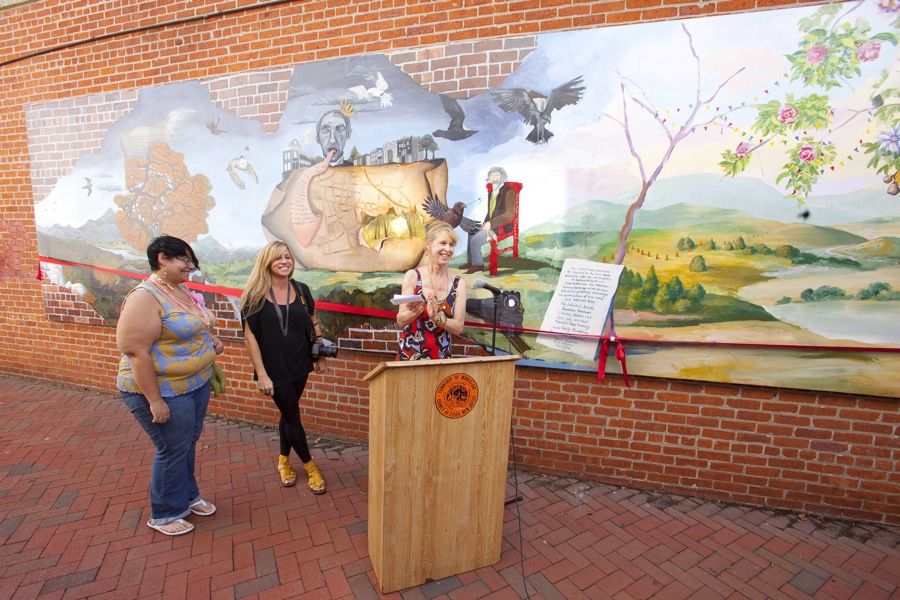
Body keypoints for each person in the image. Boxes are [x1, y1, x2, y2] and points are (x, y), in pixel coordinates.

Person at [116, 235, 224, 536]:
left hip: (194, 384)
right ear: (162, 259)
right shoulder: (144, 297)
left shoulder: (178, 290)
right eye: (184, 260)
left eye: (191, 261)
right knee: (171, 447)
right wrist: (154, 400)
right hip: (162, 390)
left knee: (187, 441)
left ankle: (188, 497)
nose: (190, 267)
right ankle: (164, 513)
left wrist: (210, 340)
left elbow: (190, 325)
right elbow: (136, 351)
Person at [240, 240, 328, 494]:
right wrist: (262, 375)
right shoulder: (254, 295)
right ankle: (310, 465)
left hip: (300, 362)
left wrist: (321, 354)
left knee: (288, 414)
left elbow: (314, 323)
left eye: (288, 257)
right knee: (291, 414)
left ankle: (283, 462)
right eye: (278, 257)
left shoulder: (301, 289)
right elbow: (250, 338)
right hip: (273, 368)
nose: (284, 261)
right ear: (267, 261)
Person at [397, 221, 468, 360]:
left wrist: (436, 317)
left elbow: (458, 328)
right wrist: (417, 310)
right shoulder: (412, 276)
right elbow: (400, 320)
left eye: (451, 245)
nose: (447, 249)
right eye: (442, 243)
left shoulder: (459, 284)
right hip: (410, 354)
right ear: (428, 245)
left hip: (441, 356)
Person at [463, 166, 517, 274]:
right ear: (489, 178)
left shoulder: (509, 192)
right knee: (471, 231)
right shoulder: (491, 192)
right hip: (491, 226)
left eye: (497, 175)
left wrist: (491, 223)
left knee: (475, 241)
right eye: (492, 175)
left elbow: (510, 215)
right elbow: (491, 212)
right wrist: (485, 223)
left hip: (502, 227)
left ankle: (478, 265)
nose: (495, 178)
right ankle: (471, 261)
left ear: (502, 177)